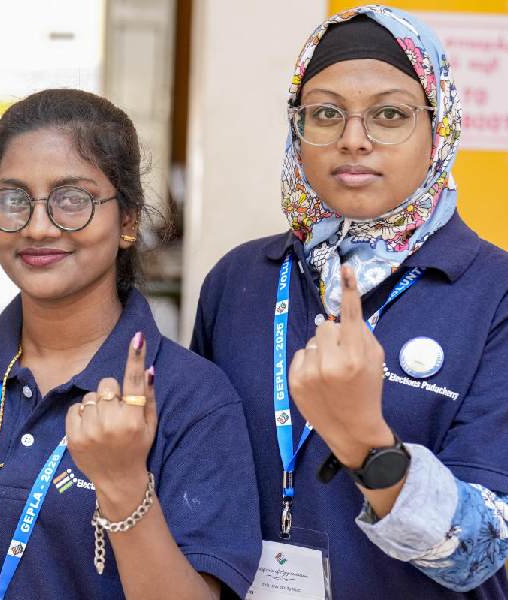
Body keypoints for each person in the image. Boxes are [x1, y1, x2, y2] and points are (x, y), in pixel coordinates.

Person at [0, 88, 261, 599]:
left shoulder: (193, 398)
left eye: (72, 199)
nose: (38, 227)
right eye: (15, 199)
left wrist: (124, 484)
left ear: (127, 220)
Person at [190, 6, 508, 598]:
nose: (353, 139)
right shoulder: (239, 280)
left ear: (439, 127)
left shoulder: (494, 293)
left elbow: (482, 556)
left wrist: (366, 440)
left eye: (390, 114)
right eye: (326, 113)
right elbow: (202, 489)